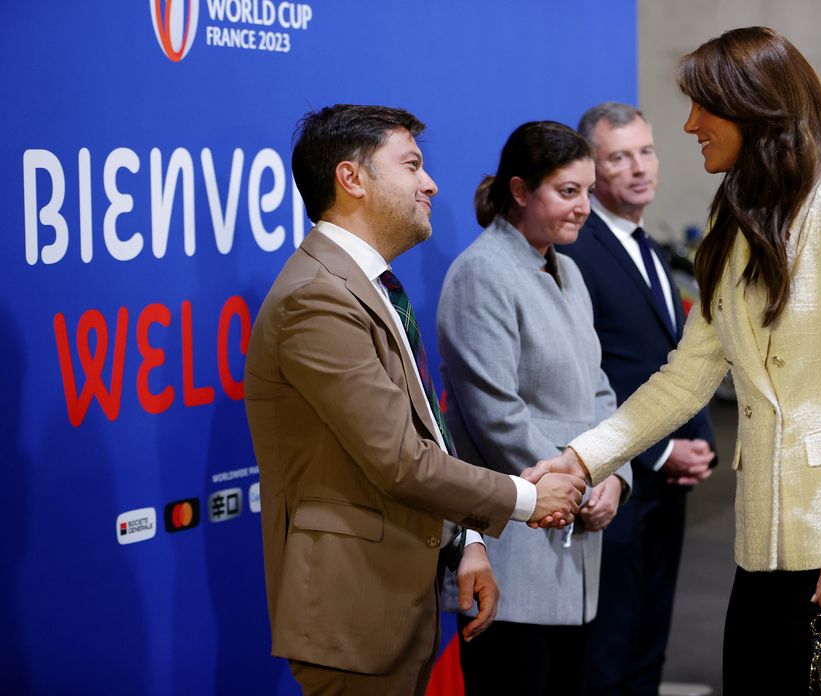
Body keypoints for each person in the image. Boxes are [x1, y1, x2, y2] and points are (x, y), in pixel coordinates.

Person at [525, 27, 821, 694]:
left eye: (702, 107)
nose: (689, 125)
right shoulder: (731, 220)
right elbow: (688, 374)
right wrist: (580, 458)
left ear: (752, 108)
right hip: (764, 540)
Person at [243, 104, 586, 696]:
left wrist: (468, 542)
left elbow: (427, 429)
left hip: (396, 599)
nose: (430, 183)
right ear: (352, 179)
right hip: (355, 611)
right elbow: (400, 459)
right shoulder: (317, 299)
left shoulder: (369, 287)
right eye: (412, 165)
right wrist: (529, 498)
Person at [436, 120, 633, 696]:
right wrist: (578, 481)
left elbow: (599, 390)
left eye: (588, 192)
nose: (584, 209)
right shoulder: (480, 272)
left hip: (573, 543)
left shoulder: (568, 270)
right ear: (520, 191)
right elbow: (495, 414)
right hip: (512, 548)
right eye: (567, 192)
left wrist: (614, 475)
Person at [556, 102, 716, 695]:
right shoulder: (577, 251)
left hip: (668, 486)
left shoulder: (646, 245)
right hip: (616, 484)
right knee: (609, 657)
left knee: (650, 647)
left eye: (645, 151)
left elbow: (677, 359)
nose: (638, 167)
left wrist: (700, 441)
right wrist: (653, 454)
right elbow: (586, 374)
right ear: (593, 168)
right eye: (618, 157)